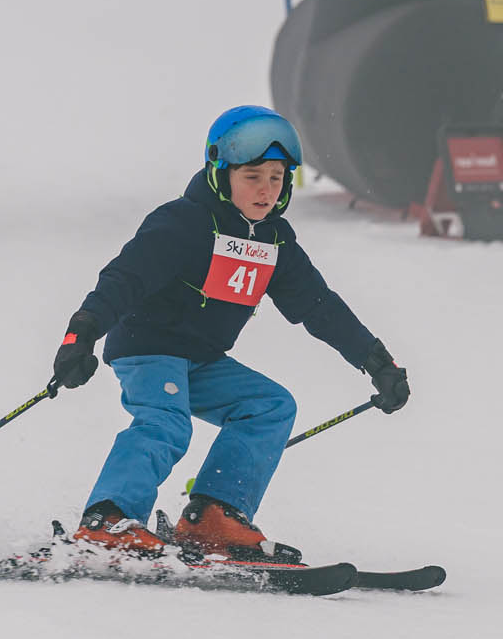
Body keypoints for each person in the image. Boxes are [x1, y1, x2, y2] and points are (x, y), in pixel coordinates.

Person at [51, 105, 409, 560]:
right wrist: (82, 332)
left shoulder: (274, 240)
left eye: (277, 178)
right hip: (149, 350)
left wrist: (375, 360)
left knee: (270, 405)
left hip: (202, 359)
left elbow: (319, 307)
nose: (266, 189)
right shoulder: (183, 222)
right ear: (220, 174)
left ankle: (214, 516)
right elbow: (125, 279)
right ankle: (108, 519)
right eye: (252, 176)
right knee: (165, 422)